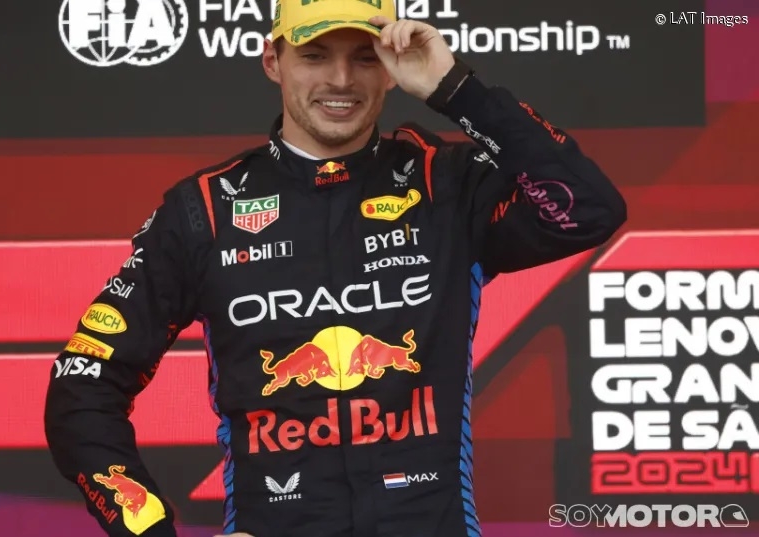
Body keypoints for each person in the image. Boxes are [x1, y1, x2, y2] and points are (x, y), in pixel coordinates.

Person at [43, 0, 627, 535]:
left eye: (365, 57)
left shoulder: (445, 184)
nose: (341, 80)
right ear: (273, 61)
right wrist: (148, 532)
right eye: (315, 55)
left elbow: (589, 209)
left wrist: (455, 89)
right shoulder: (204, 210)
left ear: (390, 68)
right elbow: (82, 386)